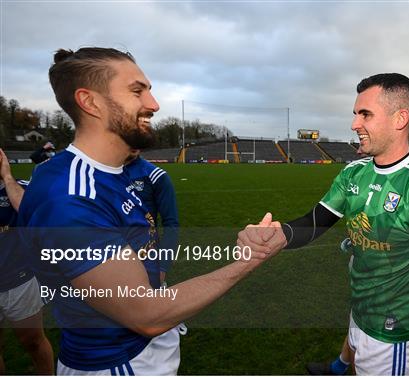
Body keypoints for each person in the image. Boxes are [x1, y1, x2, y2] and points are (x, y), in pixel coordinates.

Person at [18, 47, 283, 375]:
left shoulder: (113, 172)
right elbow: (147, 314)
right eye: (137, 91)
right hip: (120, 362)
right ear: (90, 102)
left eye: (150, 90)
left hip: (145, 351)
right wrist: (248, 262)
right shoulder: (70, 196)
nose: (154, 104)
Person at [238, 73, 409, 375]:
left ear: (400, 118)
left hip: (393, 335)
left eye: (365, 114)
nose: (354, 124)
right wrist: (278, 236)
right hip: (360, 309)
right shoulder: (354, 173)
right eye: (355, 113)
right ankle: (338, 366)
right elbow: (316, 221)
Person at [0, 148, 54, 374]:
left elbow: (27, 209)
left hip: (18, 282)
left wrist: (7, 177)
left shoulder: (20, 187)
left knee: (32, 340)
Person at [124, 151, 179, 284]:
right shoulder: (104, 174)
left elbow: (171, 224)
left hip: (146, 258)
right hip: (111, 258)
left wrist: (162, 268)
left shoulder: (155, 176)